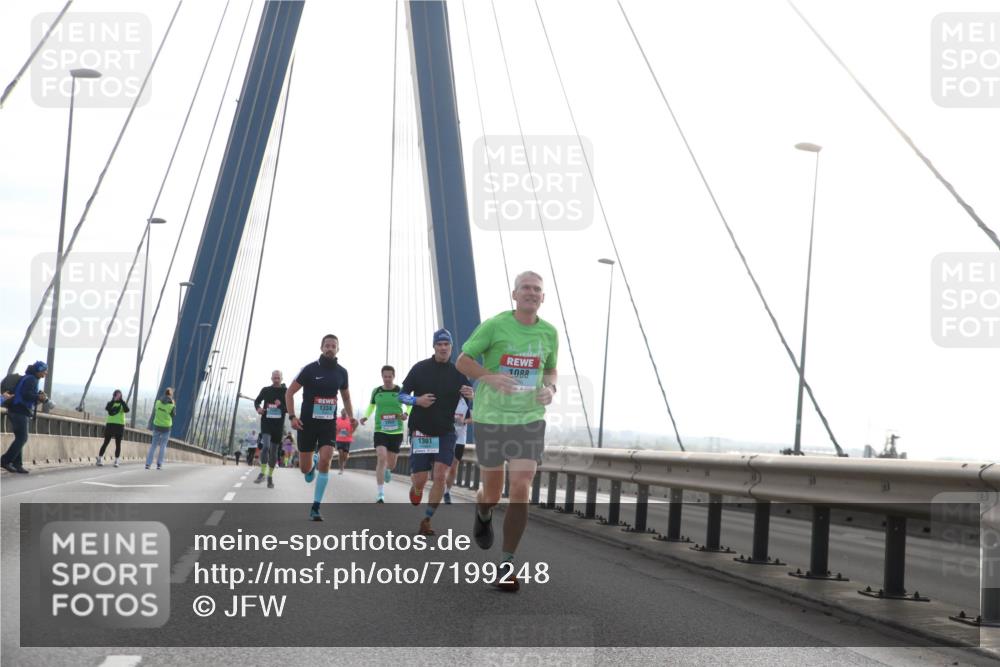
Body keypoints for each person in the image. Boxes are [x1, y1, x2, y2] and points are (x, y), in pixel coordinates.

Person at [456, 271, 558, 592]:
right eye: (525, 288)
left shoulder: (549, 333)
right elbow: (462, 361)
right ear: (515, 295)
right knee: (492, 493)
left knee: (521, 486)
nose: (531, 292)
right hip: (492, 418)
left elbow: (551, 369)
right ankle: (483, 511)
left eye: (537, 289)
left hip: (529, 419)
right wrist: (488, 377)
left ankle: (507, 564)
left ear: (543, 297)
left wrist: (551, 388)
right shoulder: (495, 325)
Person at [399, 329, 474, 536]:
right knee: (421, 479)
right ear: (434, 346)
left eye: (446, 344)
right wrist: (417, 400)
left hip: (445, 432)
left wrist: (472, 395)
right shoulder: (420, 368)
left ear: (451, 347)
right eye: (439, 344)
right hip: (422, 430)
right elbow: (401, 395)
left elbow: (470, 403)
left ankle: (427, 519)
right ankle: (417, 487)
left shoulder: (458, 373)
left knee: (440, 475)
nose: (443, 348)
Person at [285, 334, 356, 521]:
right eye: (327, 345)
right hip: (306, 424)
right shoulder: (309, 369)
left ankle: (315, 507)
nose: (330, 348)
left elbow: (346, 397)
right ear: (321, 348)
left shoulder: (342, 372)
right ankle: (312, 464)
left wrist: (351, 418)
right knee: (305, 470)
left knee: (327, 460)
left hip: (328, 424)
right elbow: (289, 393)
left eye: (333, 346)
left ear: (338, 349)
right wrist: (292, 416)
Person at [359, 365, 410, 503]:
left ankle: (388, 470)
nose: (387, 379)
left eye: (390, 376)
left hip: (396, 431)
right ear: (382, 376)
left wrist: (406, 414)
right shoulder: (376, 391)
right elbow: (371, 406)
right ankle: (380, 493)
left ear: (394, 376)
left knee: (391, 464)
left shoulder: (400, 390)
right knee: (381, 458)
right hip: (380, 430)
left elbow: (409, 405)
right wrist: (365, 416)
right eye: (385, 376)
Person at [1, 361, 49, 474]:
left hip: (16, 410)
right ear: (39, 370)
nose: (45, 373)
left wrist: (37, 396)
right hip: (20, 411)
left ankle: (17, 464)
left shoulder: (28, 377)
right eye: (44, 371)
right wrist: (39, 397)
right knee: (22, 438)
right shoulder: (32, 379)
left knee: (20, 438)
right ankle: (5, 460)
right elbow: (26, 395)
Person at [254, 370, 287, 489]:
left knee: (273, 452)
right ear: (271, 378)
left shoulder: (286, 391)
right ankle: (262, 472)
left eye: (278, 377)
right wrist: (258, 408)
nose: (276, 379)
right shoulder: (266, 390)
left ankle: (270, 476)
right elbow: (257, 401)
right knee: (266, 446)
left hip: (278, 426)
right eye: (274, 377)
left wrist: (280, 405)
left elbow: (289, 409)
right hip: (266, 423)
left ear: (282, 378)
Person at [443, 397, 472, 504]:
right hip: (446, 435)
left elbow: (473, 418)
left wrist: (464, 421)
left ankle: (447, 492)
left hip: (460, 438)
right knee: (444, 465)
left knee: (454, 466)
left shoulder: (467, 400)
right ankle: (441, 485)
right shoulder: (447, 396)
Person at [146, 387, 176, 470]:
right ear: (171, 395)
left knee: (153, 445)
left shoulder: (158, 403)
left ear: (164, 393)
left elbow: (156, 410)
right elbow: (173, 415)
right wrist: (173, 404)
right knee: (163, 446)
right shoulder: (171, 406)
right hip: (166, 427)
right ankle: (159, 464)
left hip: (157, 426)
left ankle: (148, 464)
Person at [97, 390, 129, 467]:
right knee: (106, 442)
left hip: (120, 425)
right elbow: (107, 408)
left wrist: (122, 401)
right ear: (114, 395)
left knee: (118, 444)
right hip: (110, 424)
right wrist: (113, 400)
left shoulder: (123, 404)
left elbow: (127, 410)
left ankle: (116, 460)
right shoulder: (110, 403)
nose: (118, 396)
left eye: (119, 395)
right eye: (117, 395)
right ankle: (100, 458)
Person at [334, 409, 355, 475]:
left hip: (347, 440)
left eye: (345, 413)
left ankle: (345, 459)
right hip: (339, 439)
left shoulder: (350, 420)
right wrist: (335, 432)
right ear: (341, 413)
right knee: (340, 453)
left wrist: (351, 432)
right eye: (343, 413)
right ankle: (341, 469)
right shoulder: (337, 419)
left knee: (345, 456)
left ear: (347, 414)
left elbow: (355, 425)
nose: (344, 414)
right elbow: (334, 427)